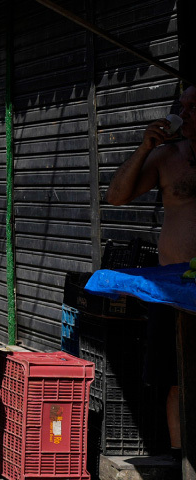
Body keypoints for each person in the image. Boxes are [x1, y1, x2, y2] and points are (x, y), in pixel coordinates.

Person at [103, 84, 196, 457]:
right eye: (182, 106)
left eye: (193, 107)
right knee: (173, 377)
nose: (183, 112)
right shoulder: (166, 156)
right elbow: (116, 196)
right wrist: (145, 147)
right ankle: (178, 455)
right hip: (172, 285)